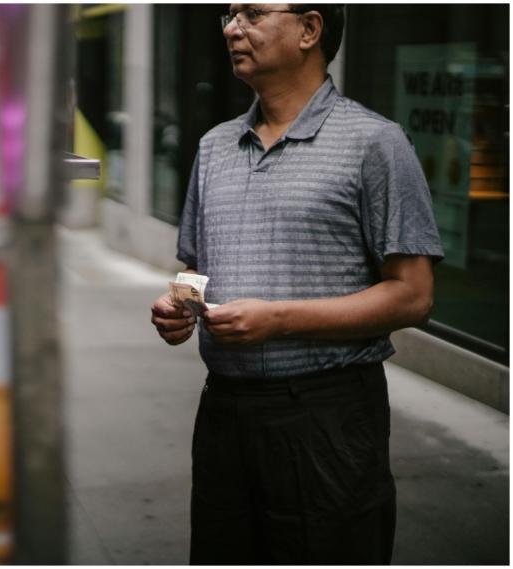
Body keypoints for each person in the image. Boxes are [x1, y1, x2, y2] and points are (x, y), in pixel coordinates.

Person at [150, 4, 444, 565]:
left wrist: (280, 319)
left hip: (327, 420)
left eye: (252, 13)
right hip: (224, 417)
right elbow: (193, 266)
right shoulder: (214, 146)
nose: (232, 28)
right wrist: (177, 306)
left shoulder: (374, 143)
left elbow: (414, 295)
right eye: (228, 14)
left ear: (310, 29)